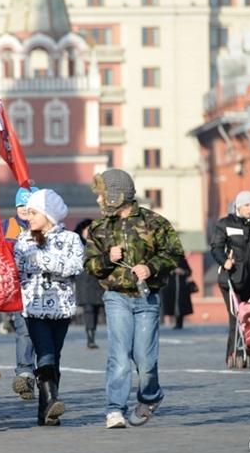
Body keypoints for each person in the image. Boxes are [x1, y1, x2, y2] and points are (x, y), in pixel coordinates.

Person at [85, 169, 184, 429]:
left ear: (117, 195)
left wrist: (151, 267)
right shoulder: (99, 228)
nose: (99, 200)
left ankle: (151, 396)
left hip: (147, 299)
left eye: (102, 195)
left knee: (145, 360)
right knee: (119, 354)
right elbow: (89, 266)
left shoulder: (155, 223)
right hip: (116, 297)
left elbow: (175, 253)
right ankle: (114, 409)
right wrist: (107, 258)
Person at [13, 189, 83, 427]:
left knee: (55, 357)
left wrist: (43, 260)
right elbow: (19, 267)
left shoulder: (72, 239)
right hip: (33, 308)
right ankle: (53, 399)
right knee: (45, 353)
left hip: (62, 309)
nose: (28, 217)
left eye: (33, 213)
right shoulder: (24, 240)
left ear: (48, 214)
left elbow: (74, 267)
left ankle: (46, 412)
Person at [210, 191, 250, 361]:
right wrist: (224, 262)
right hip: (229, 279)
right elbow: (216, 247)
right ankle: (234, 352)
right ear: (239, 207)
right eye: (247, 205)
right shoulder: (225, 224)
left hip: (249, 279)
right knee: (236, 316)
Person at [4, 187, 38, 401]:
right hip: (18, 289)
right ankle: (24, 374)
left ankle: (44, 376)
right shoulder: (8, 226)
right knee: (24, 331)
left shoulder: (46, 226)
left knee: (43, 337)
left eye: (29, 205)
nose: (24, 209)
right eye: (20, 205)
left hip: (44, 290)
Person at [73, 219, 104, 349]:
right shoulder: (77, 243)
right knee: (89, 309)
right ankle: (90, 337)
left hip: (97, 280)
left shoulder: (100, 244)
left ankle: (93, 333)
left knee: (96, 309)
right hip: (84, 280)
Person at [161, 257, 195, 330]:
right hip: (170, 287)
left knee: (181, 306)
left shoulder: (183, 260)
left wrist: (183, 272)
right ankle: (168, 321)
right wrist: (173, 271)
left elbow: (189, 271)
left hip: (181, 288)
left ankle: (179, 323)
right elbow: (163, 271)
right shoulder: (167, 259)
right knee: (170, 304)